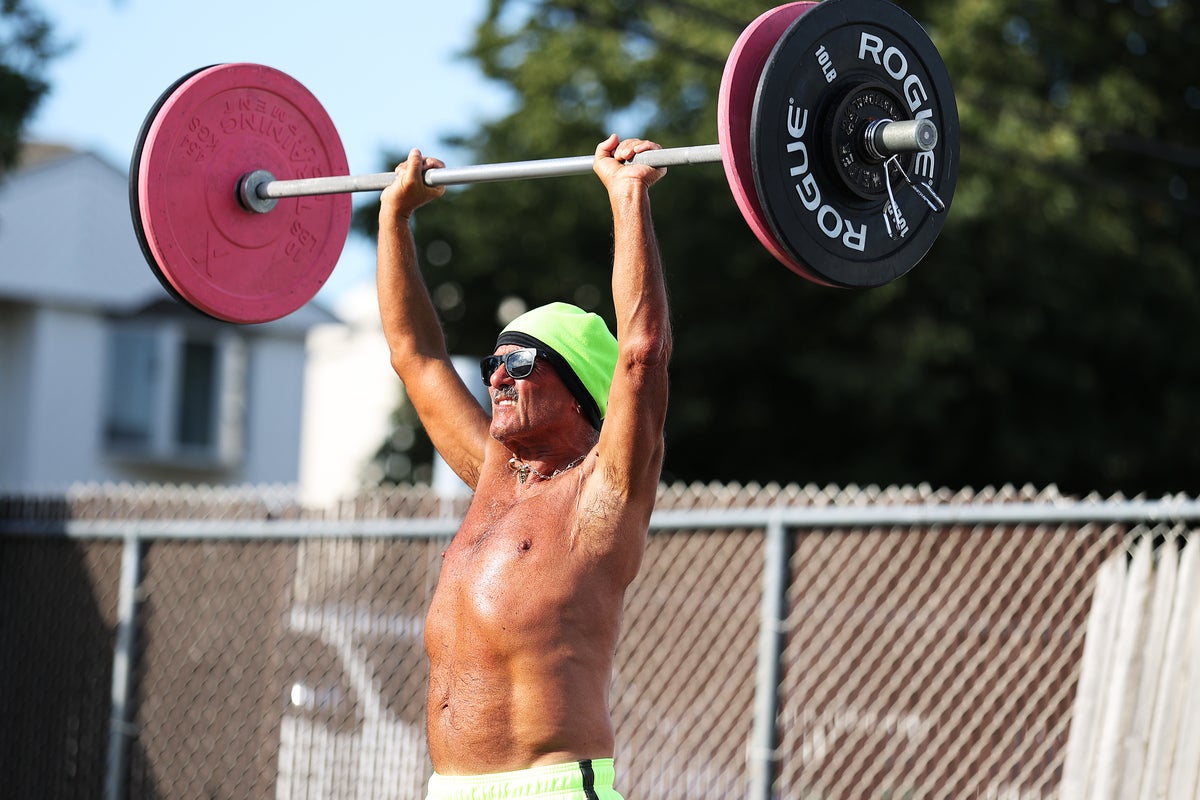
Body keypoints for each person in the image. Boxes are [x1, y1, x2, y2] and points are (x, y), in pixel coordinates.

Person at [376, 134, 671, 800]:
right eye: (492, 366)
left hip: (553, 787)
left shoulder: (606, 490)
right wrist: (397, 219)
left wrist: (628, 201)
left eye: (520, 364)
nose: (497, 380)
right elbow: (414, 355)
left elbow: (641, 355)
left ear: (578, 392)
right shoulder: (493, 481)